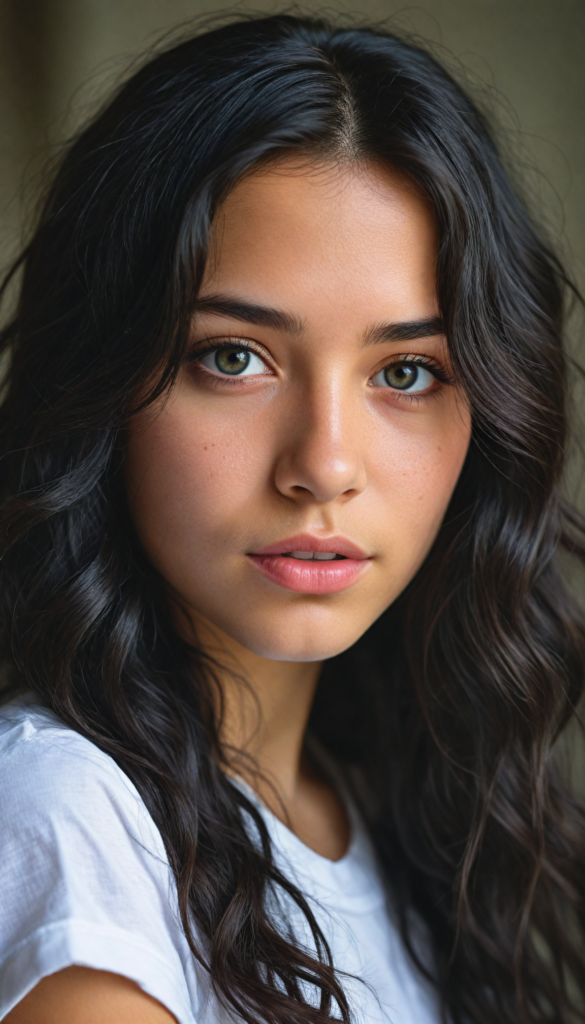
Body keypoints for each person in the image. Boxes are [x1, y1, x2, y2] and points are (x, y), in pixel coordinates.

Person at [0, 14, 583, 1024]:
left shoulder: (395, 814)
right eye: (234, 357)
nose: (324, 464)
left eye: (405, 372)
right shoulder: (72, 820)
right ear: (102, 376)